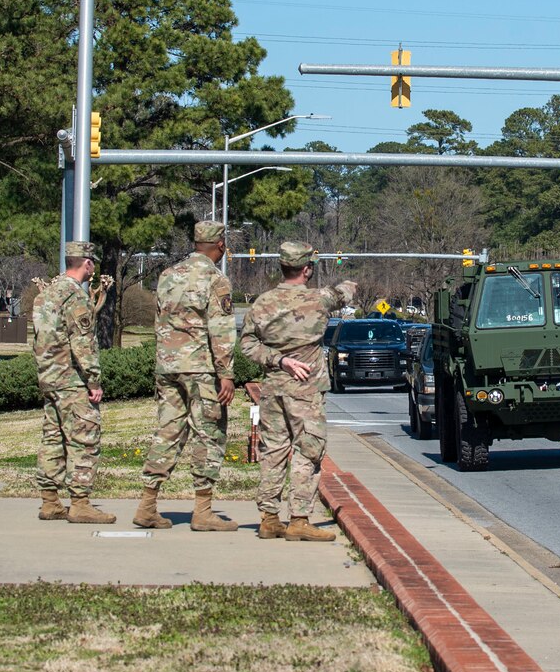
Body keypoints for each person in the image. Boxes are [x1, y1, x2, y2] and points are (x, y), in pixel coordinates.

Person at [239, 242, 357, 541]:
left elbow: (247, 345)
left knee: (273, 452)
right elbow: (346, 291)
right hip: (306, 391)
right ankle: (300, 518)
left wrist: (278, 359)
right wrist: (347, 280)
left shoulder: (263, 303)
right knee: (308, 451)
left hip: (273, 389)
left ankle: (268, 518)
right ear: (307, 269)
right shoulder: (319, 300)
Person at [133, 220, 237, 531]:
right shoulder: (215, 279)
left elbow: (157, 320)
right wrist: (226, 373)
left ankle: (147, 505)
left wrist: (163, 359)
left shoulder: (167, 275)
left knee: (168, 432)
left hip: (168, 366)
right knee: (209, 433)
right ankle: (203, 511)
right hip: (200, 367)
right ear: (220, 245)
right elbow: (221, 330)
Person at [32, 241, 115, 523]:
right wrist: (94, 381)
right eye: (93, 263)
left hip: (50, 378)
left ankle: (50, 501)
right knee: (84, 438)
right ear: (87, 264)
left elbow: (40, 339)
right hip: (71, 381)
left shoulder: (46, 295)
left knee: (52, 439)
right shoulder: (76, 297)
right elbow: (83, 345)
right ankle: (80, 503)